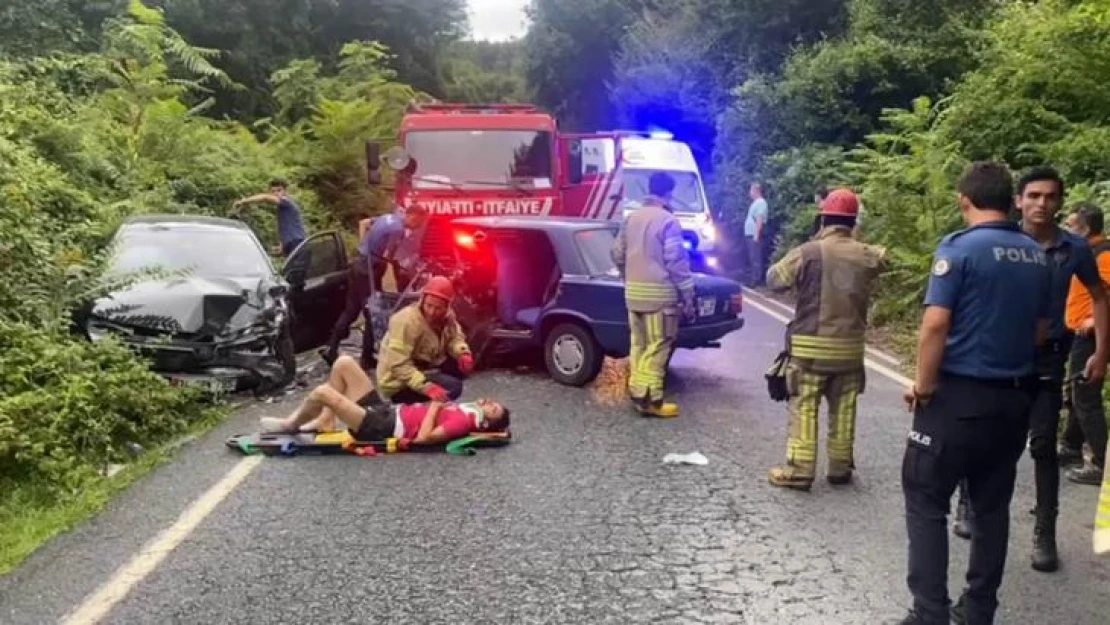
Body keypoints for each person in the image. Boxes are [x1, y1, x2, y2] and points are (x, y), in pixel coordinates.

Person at [893, 162, 1051, 625]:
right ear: (1012, 201)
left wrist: (924, 386)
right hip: (1013, 401)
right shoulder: (1036, 255)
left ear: (965, 199)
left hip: (956, 399)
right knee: (991, 507)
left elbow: (935, 324)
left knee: (925, 497)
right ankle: (980, 609)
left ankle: (930, 613)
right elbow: (1041, 331)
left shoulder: (958, 249)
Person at [1012, 166, 1108, 573]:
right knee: (987, 436)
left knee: (1043, 444)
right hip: (1001, 356)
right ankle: (969, 504)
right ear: (1018, 200)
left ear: (1060, 201)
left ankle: (1044, 532)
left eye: (1050, 196)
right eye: (1033, 195)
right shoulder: (1002, 242)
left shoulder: (1076, 248)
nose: (1041, 204)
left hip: (1051, 356)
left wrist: (1101, 352)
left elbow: (1100, 296)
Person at [764, 189, 887, 490]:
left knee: (805, 407)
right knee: (843, 409)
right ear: (853, 222)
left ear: (822, 219)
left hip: (810, 351)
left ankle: (800, 470)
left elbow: (773, 280)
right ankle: (839, 468)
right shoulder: (867, 254)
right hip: (850, 352)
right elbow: (883, 260)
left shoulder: (808, 252)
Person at [258, 355, 509, 445]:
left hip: (382, 426)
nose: (488, 401)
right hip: (386, 411)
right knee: (344, 363)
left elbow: (423, 439)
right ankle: (326, 420)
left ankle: (290, 425)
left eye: (493, 408)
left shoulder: (463, 422)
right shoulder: (464, 410)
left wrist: (433, 408)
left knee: (323, 393)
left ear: (485, 424)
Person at [611, 171, 695, 418]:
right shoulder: (667, 220)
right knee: (660, 344)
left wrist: (627, 276)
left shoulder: (631, 218)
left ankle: (637, 393)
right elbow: (676, 261)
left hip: (633, 295)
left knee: (638, 344)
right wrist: (687, 293)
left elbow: (617, 253)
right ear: (669, 193)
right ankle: (652, 399)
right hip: (660, 297)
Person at [321, 205, 430, 368]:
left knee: (351, 310)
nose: (419, 227)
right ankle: (367, 358)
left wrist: (364, 245)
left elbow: (364, 223)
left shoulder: (387, 217)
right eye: (419, 222)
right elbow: (388, 257)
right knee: (373, 313)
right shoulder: (398, 230)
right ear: (413, 216)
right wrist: (402, 275)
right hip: (368, 272)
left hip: (357, 265)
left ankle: (331, 347)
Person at [1061, 203, 1110, 486]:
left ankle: (1101, 462)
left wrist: (1093, 321)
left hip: (1094, 335)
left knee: (1085, 395)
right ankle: (1070, 446)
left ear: (1086, 229)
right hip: (1080, 333)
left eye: (1072, 225)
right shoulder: (1086, 252)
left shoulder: (1103, 255)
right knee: (1077, 390)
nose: (1067, 229)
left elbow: (1104, 295)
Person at [376, 275, 474, 404]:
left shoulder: (448, 316)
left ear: (447, 306)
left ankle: (432, 400)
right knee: (454, 387)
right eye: (429, 305)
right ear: (422, 300)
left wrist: (463, 353)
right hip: (396, 382)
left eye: (438, 308)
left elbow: (455, 337)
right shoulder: (406, 321)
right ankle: (418, 408)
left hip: (423, 365)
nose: (432, 312)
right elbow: (398, 365)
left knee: (460, 368)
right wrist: (426, 387)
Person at [234, 178, 308, 257]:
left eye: (279, 190)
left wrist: (243, 201)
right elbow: (289, 227)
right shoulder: (283, 209)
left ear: (286, 191)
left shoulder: (286, 202)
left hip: (297, 243)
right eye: (273, 191)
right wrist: (282, 247)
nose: (276, 193)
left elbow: (265, 198)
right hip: (293, 244)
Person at [744, 182, 769, 287]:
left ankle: (756, 281)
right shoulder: (755, 203)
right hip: (750, 234)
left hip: (754, 234)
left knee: (756, 257)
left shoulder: (761, 203)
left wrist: (756, 235)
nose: (750, 193)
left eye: (751, 190)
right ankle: (754, 279)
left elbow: (759, 219)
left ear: (756, 191)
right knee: (753, 257)